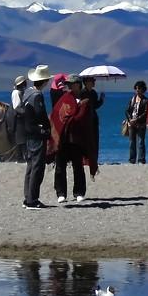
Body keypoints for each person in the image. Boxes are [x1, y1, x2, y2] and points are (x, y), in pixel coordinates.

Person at [50, 75, 98, 203]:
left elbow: (84, 119)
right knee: (60, 166)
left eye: (72, 83)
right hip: (63, 138)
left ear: (78, 84)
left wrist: (79, 110)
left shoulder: (85, 100)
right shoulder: (65, 98)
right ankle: (61, 193)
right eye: (69, 84)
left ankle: (79, 192)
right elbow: (57, 114)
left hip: (77, 139)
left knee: (78, 166)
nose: (70, 86)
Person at [19, 64, 53, 208]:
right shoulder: (37, 96)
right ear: (45, 81)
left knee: (30, 166)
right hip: (37, 134)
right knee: (37, 168)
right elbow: (40, 114)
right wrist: (47, 128)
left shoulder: (27, 92)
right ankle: (33, 199)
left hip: (28, 134)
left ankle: (28, 197)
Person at [82, 76, 105, 163]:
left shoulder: (93, 92)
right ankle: (85, 159)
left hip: (93, 117)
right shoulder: (82, 92)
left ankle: (93, 158)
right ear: (87, 82)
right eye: (92, 81)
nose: (94, 83)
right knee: (86, 139)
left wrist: (101, 100)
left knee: (94, 139)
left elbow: (95, 106)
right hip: (85, 119)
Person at [125, 80, 148, 164]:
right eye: (136, 88)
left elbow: (146, 113)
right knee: (132, 142)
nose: (137, 90)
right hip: (132, 123)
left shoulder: (146, 100)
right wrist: (130, 120)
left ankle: (141, 159)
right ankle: (132, 159)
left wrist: (137, 119)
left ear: (143, 90)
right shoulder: (132, 99)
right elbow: (127, 110)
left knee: (141, 142)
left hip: (141, 124)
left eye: (139, 88)